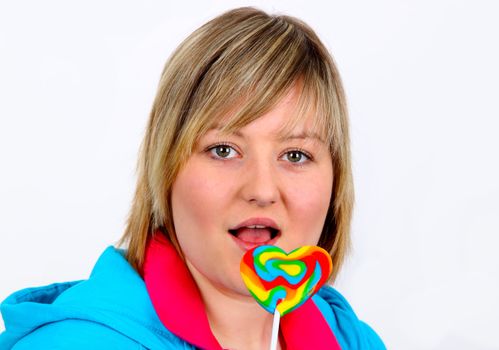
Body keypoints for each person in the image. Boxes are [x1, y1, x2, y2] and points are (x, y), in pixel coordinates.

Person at [0, 7, 386, 350]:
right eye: (223, 150)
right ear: (165, 168)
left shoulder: (351, 338)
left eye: (296, 155)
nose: (263, 190)